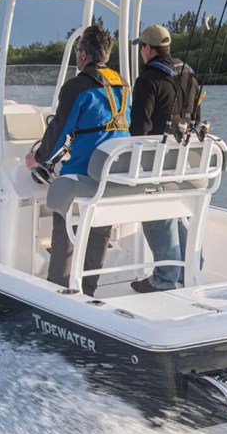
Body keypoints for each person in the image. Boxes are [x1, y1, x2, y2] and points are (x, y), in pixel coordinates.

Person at [26, 25, 130, 297]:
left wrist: (36, 157)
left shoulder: (76, 87)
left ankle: (57, 288)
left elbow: (59, 130)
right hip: (117, 172)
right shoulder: (123, 84)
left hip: (85, 172)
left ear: (83, 54)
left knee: (63, 211)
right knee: (99, 226)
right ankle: (88, 289)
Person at [128, 24, 203, 293]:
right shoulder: (189, 74)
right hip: (184, 161)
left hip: (156, 161)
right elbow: (196, 118)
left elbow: (138, 129)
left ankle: (164, 278)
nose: (140, 52)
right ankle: (190, 267)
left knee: (154, 208)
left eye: (141, 47)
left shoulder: (147, 79)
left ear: (148, 49)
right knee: (176, 210)